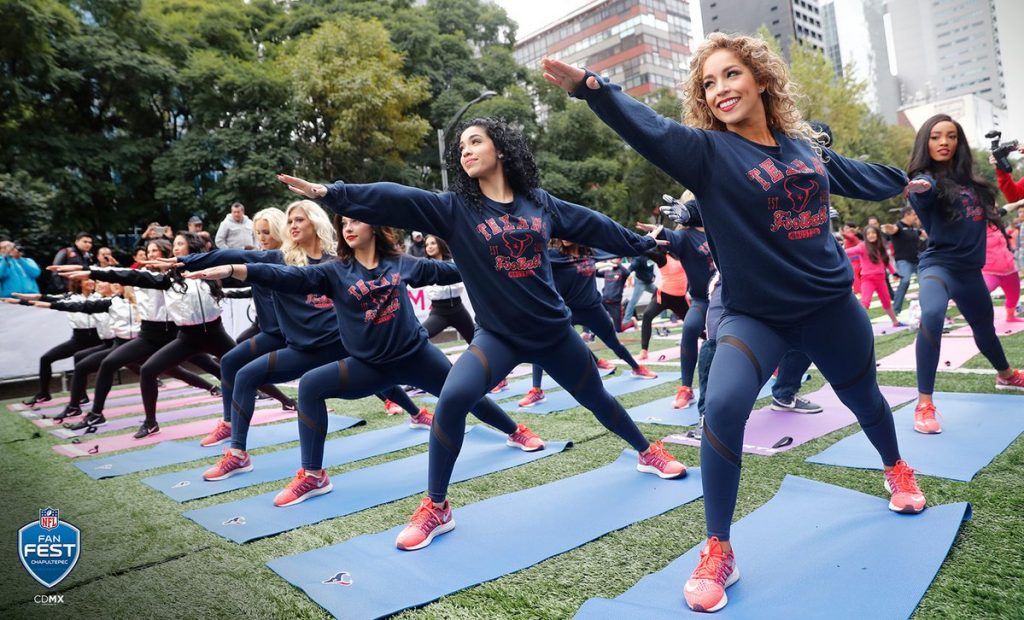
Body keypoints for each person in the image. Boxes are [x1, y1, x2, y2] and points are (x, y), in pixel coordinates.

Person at [543, 32, 928, 612]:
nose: (721, 89)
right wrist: (594, 89)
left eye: (731, 75)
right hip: (757, 316)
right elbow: (649, 127)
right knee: (720, 406)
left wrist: (903, 181)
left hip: (829, 305)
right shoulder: (706, 151)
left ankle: (895, 467)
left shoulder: (804, 148)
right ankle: (719, 546)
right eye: (709, 83)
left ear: (761, 79)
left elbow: (856, 174)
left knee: (866, 400)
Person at [276, 116, 687, 551]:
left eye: (475, 142)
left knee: (597, 398)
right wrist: (331, 192)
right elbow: (398, 198)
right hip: (498, 338)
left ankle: (647, 450)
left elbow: (594, 225)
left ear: (502, 150)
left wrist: (646, 245)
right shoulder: (455, 209)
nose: (465, 151)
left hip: (552, 331)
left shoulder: (539, 204)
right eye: (461, 147)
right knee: (452, 399)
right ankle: (436, 506)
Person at [186, 217, 545, 506]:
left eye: (356, 221)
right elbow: (288, 277)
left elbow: (449, 271)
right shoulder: (334, 271)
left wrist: (496, 261)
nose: (349, 228)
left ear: (373, 226)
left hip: (416, 356)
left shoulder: (400, 263)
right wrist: (235, 269)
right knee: (311, 386)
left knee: (465, 395)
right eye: (344, 225)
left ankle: (516, 431)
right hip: (369, 365)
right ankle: (313, 475)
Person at [151, 202, 422, 456]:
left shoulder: (338, 260)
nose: (292, 225)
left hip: (342, 342)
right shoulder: (278, 259)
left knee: (382, 375)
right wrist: (188, 261)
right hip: (303, 347)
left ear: (315, 223)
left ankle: (416, 412)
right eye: (289, 220)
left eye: (299, 220)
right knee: (243, 372)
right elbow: (234, 255)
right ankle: (237, 452)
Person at [909, 114, 1024, 436]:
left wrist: (1011, 200)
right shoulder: (924, 181)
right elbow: (925, 191)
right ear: (925, 142)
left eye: (950, 136)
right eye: (935, 136)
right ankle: (924, 403)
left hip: (971, 272)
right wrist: (921, 186)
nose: (943, 142)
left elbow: (993, 210)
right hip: (939, 268)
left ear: (958, 142)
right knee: (931, 315)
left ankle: (1006, 374)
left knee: (985, 331)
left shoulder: (972, 184)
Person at [44, 239, 223, 425]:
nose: (151, 254)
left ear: (166, 253)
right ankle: (97, 413)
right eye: (149, 251)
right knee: (109, 363)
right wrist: (92, 271)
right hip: (149, 335)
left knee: (208, 365)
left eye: (155, 251)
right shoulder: (143, 274)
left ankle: (231, 388)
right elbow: (125, 275)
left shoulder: (173, 275)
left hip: (174, 334)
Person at [519, 240, 659, 407]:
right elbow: (526, 259)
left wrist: (646, 241)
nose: (566, 236)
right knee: (542, 344)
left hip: (593, 309)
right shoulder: (553, 255)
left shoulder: (591, 253)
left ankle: (636, 367)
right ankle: (537, 390)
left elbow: (616, 243)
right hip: (566, 311)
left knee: (614, 343)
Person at [421, 234, 475, 343]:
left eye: (433, 243)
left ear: (440, 244)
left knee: (475, 340)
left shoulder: (454, 261)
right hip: (439, 312)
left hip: (458, 309)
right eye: (427, 245)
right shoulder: (424, 265)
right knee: (419, 337)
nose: (429, 247)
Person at [844, 225, 902, 327]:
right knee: (865, 302)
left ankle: (895, 322)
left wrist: (894, 273)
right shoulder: (862, 246)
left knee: (886, 302)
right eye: (868, 234)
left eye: (873, 233)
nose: (871, 235)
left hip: (881, 279)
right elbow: (849, 252)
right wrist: (836, 251)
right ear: (865, 236)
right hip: (868, 279)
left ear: (877, 235)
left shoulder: (881, 246)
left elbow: (886, 262)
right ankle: (856, 324)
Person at [881, 207, 925, 313]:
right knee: (905, 281)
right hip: (903, 261)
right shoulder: (899, 227)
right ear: (906, 215)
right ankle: (896, 310)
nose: (916, 217)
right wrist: (887, 227)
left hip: (917, 260)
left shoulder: (913, 229)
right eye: (914, 215)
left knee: (925, 283)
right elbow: (892, 229)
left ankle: (927, 307)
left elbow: (925, 234)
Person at [983, 221, 1022, 322]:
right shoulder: (976, 229)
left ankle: (1011, 317)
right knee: (982, 293)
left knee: (1014, 296)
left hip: (1010, 269)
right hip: (990, 271)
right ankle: (979, 320)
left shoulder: (996, 225)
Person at [595, 256, 636, 332]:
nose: (613, 259)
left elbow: (627, 273)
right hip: (604, 300)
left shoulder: (622, 272)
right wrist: (605, 264)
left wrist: (618, 263)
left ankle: (632, 322)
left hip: (615, 302)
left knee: (618, 329)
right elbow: (595, 273)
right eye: (612, 258)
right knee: (596, 317)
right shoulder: (607, 271)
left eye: (617, 258)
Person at [622, 254, 657, 321]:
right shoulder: (639, 257)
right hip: (640, 282)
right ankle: (626, 321)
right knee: (633, 301)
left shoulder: (651, 255)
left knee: (660, 294)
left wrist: (653, 276)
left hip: (648, 282)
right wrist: (625, 274)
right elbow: (632, 267)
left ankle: (663, 314)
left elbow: (651, 267)